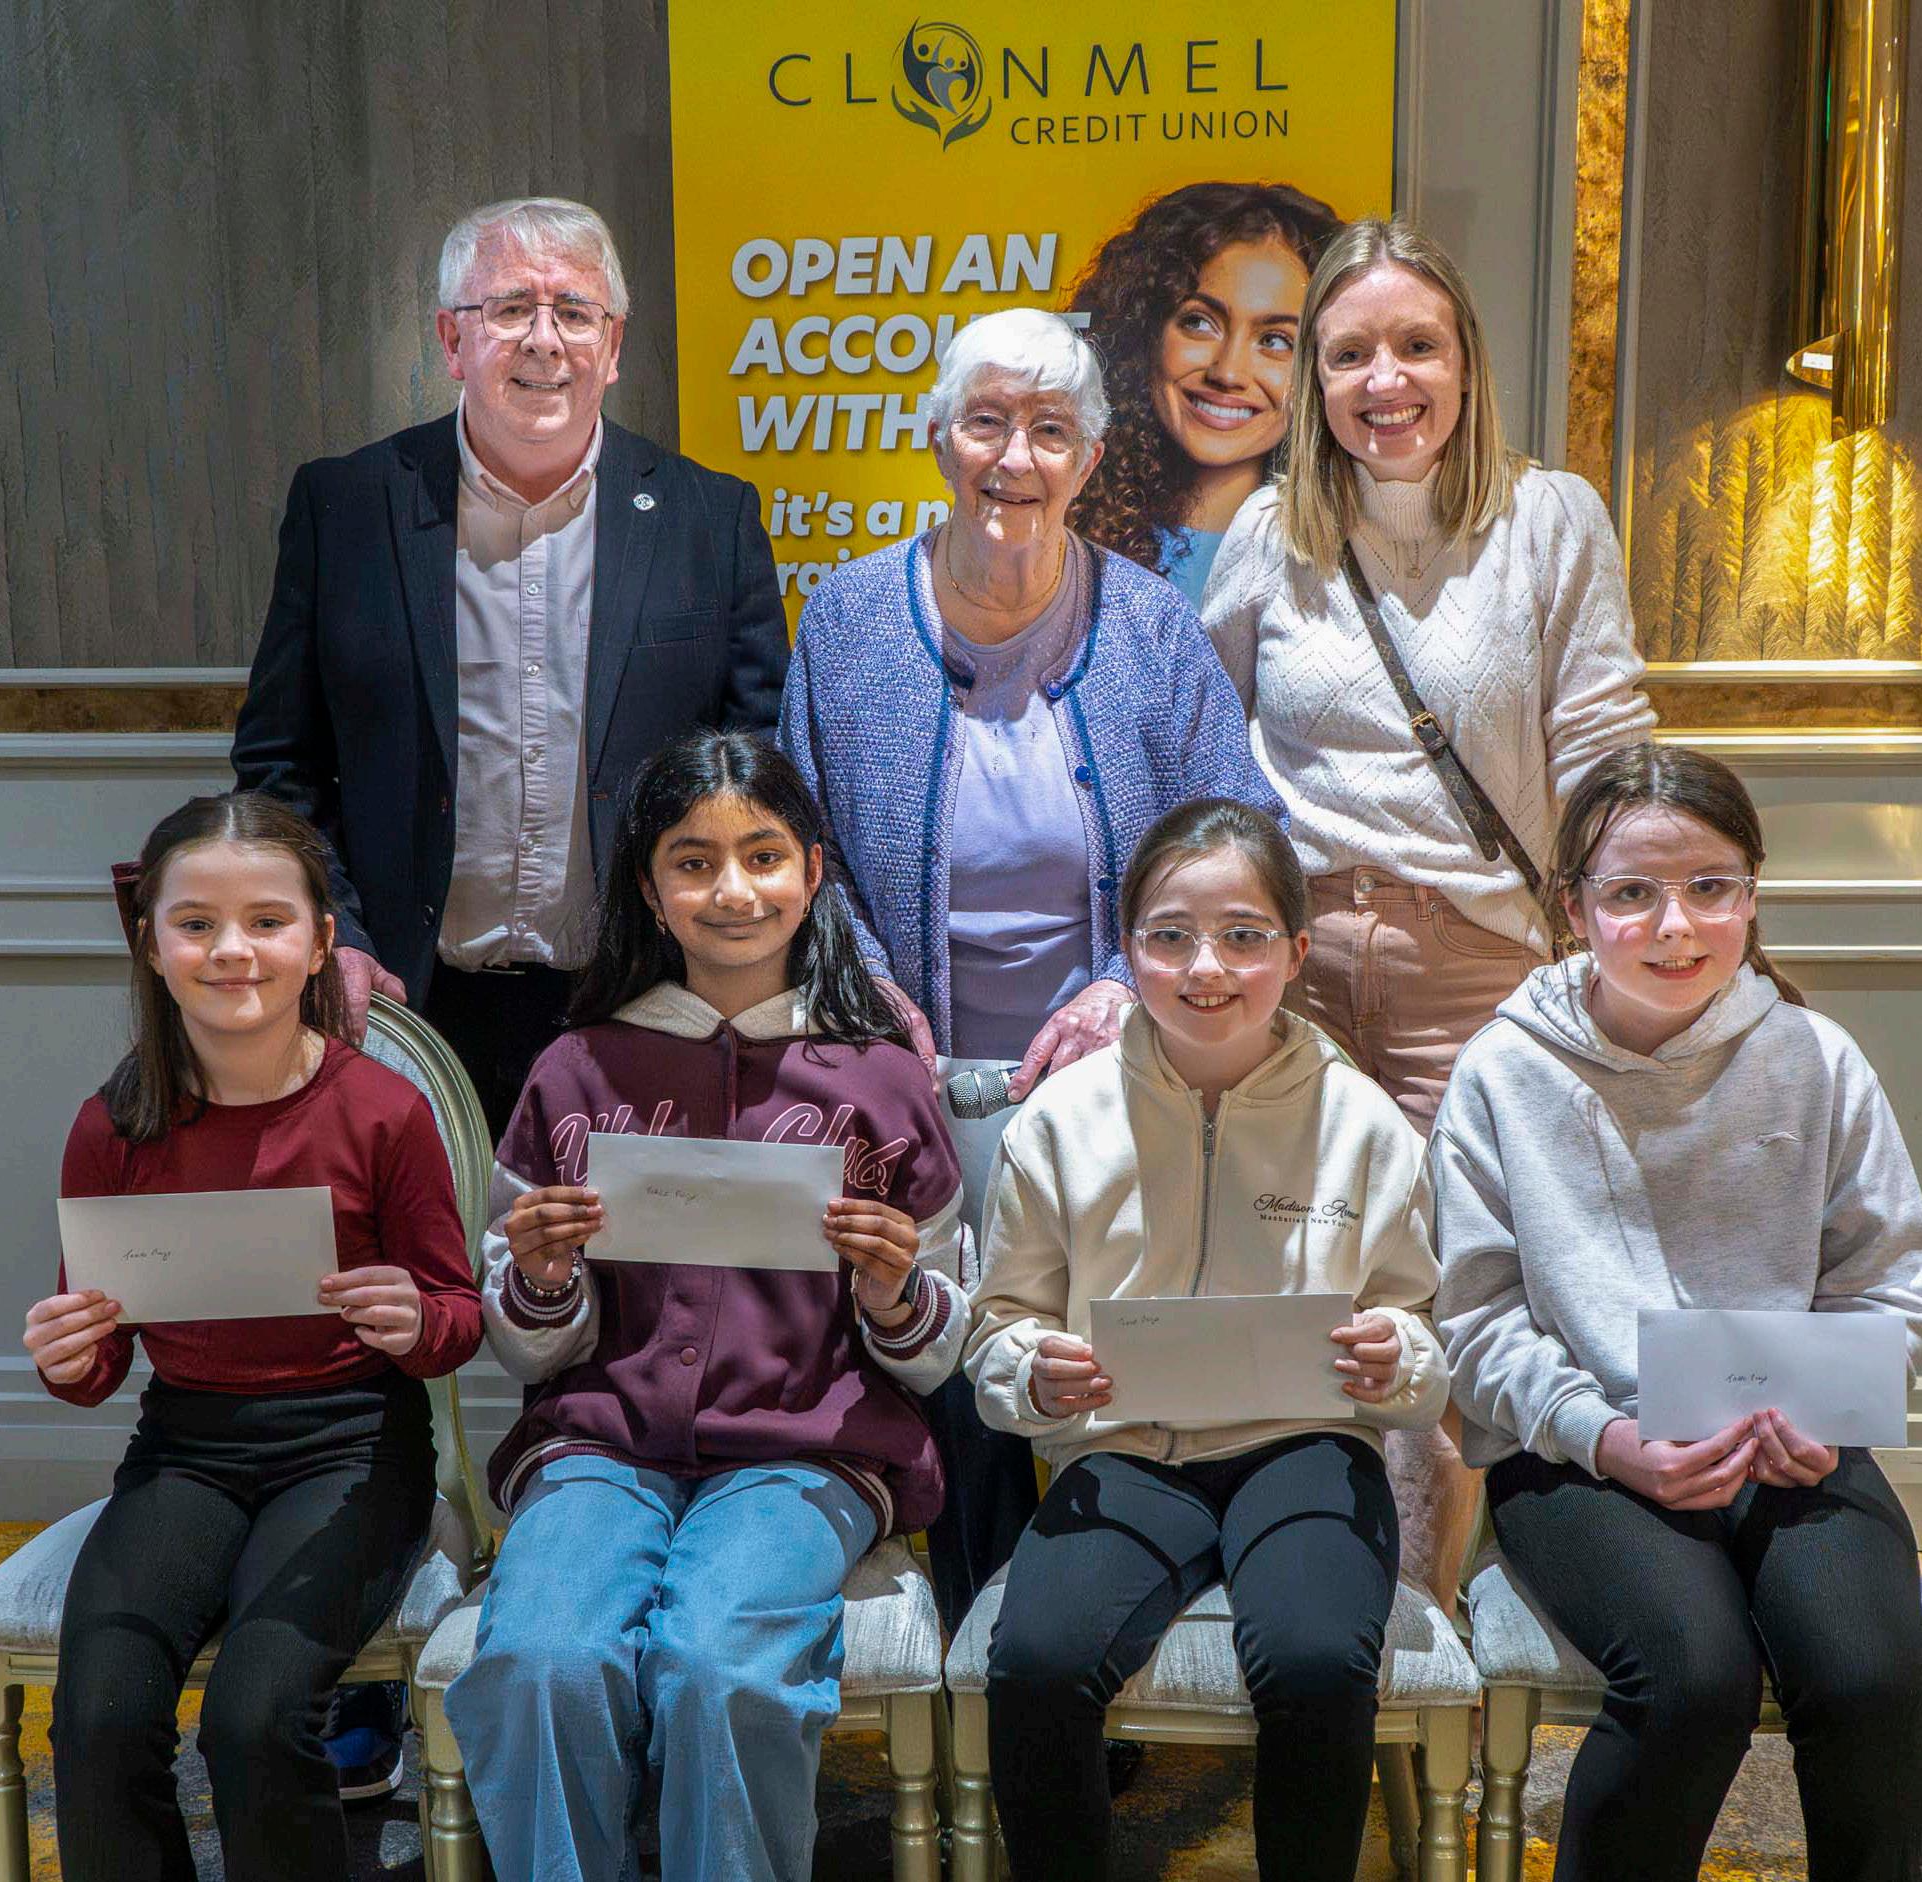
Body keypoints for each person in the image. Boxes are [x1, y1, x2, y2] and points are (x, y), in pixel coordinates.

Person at [780, 305, 1284, 1634]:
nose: (1015, 458)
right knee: (944, 1364)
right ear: (936, 437)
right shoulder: (847, 619)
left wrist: (1127, 978)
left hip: (1120, 1082)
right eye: (988, 422)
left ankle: (1080, 1642)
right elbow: (797, 849)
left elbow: (1237, 832)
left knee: (1092, 1368)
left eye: (1050, 430)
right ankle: (975, 1644)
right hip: (903, 1085)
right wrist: (861, 984)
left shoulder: (1151, 625)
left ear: (1088, 458)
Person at [1201, 215, 1656, 1612]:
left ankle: (1414, 1618)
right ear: (1312, 380)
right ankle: (1298, 1597)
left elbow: (1602, 745)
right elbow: (1208, 755)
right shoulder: (1266, 535)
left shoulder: (1546, 518)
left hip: (1475, 968)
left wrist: (1633, 936)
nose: (1383, 380)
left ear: (1464, 362)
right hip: (1288, 974)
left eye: (1415, 345)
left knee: (1448, 1295)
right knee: (1287, 1281)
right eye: (1348, 354)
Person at [442, 732, 968, 1882]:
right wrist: (541, 1278)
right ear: (648, 886)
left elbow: (935, 1357)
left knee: (721, 1666)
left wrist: (893, 1293)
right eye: (693, 861)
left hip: (805, 1452)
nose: (732, 891)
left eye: (762, 856)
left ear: (812, 871)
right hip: (598, 1445)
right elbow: (524, 1344)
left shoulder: (880, 1079)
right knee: (540, 1660)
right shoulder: (575, 1072)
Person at [1432, 743, 1922, 1882]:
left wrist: (1825, 1405)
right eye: (1631, 894)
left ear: (1751, 895)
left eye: (1710, 887)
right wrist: (1607, 1437)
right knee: (1691, 1680)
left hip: (1789, 1435)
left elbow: (1888, 1282)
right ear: (1573, 909)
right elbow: (1477, 1322)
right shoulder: (1502, 1071)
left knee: (1874, 1677)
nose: (1675, 926)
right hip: (1582, 1447)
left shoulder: (1815, 1057)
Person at [233, 195, 789, 1140]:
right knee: (425, 1240)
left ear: (614, 345)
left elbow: (760, 760)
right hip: (404, 1001)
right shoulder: (346, 507)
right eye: (510, 309)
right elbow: (279, 766)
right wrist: (336, 936)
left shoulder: (710, 518)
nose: (544, 339)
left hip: (645, 1001)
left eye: (574, 311)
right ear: (453, 340)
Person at [964, 797, 1448, 1882]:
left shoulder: (1363, 1123)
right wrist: (1032, 1375)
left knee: (1316, 1662)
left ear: (1296, 951)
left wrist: (1395, 1358)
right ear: (1127, 946)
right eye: (1170, 936)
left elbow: (1419, 1338)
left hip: (1309, 1448)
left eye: (1243, 936)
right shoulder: (1059, 1120)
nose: (1206, 968)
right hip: (1122, 1451)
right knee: (1038, 1662)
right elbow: (1000, 1325)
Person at [25, 792, 482, 1881]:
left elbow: (455, 1319)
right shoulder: (114, 1123)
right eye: (196, 924)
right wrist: (69, 1354)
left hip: (354, 1445)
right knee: (100, 1714)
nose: (232, 950)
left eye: (267, 921)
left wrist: (416, 1318)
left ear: (320, 942)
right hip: (187, 1448)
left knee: (257, 1715)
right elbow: (98, 1362)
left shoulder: (381, 1112)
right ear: (152, 943)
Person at [1066, 179, 1342, 605]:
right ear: (1145, 332)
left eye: (1275, 341)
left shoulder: (1350, 558)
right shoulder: (1056, 532)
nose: (1227, 372)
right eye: (1198, 322)